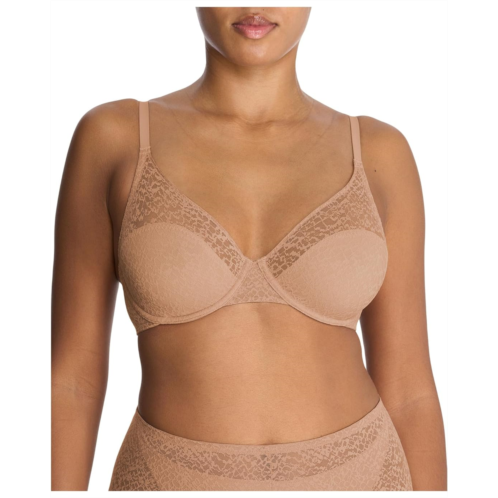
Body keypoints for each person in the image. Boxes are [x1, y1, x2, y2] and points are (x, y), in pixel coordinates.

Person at [51, 7, 447, 491]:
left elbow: (409, 391)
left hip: (363, 475)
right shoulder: (115, 139)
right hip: (168, 478)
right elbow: (72, 383)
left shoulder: (380, 152)